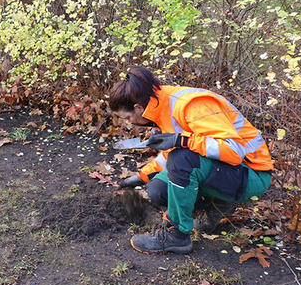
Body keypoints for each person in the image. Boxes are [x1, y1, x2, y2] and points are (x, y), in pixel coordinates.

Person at [109, 66, 273, 255]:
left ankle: (177, 234)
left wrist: (182, 140)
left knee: (182, 159)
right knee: (158, 190)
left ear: (138, 107)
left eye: (128, 117)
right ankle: (217, 206)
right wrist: (144, 175)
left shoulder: (190, 105)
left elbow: (233, 150)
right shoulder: (160, 107)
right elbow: (178, 153)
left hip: (252, 174)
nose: (130, 122)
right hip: (226, 171)